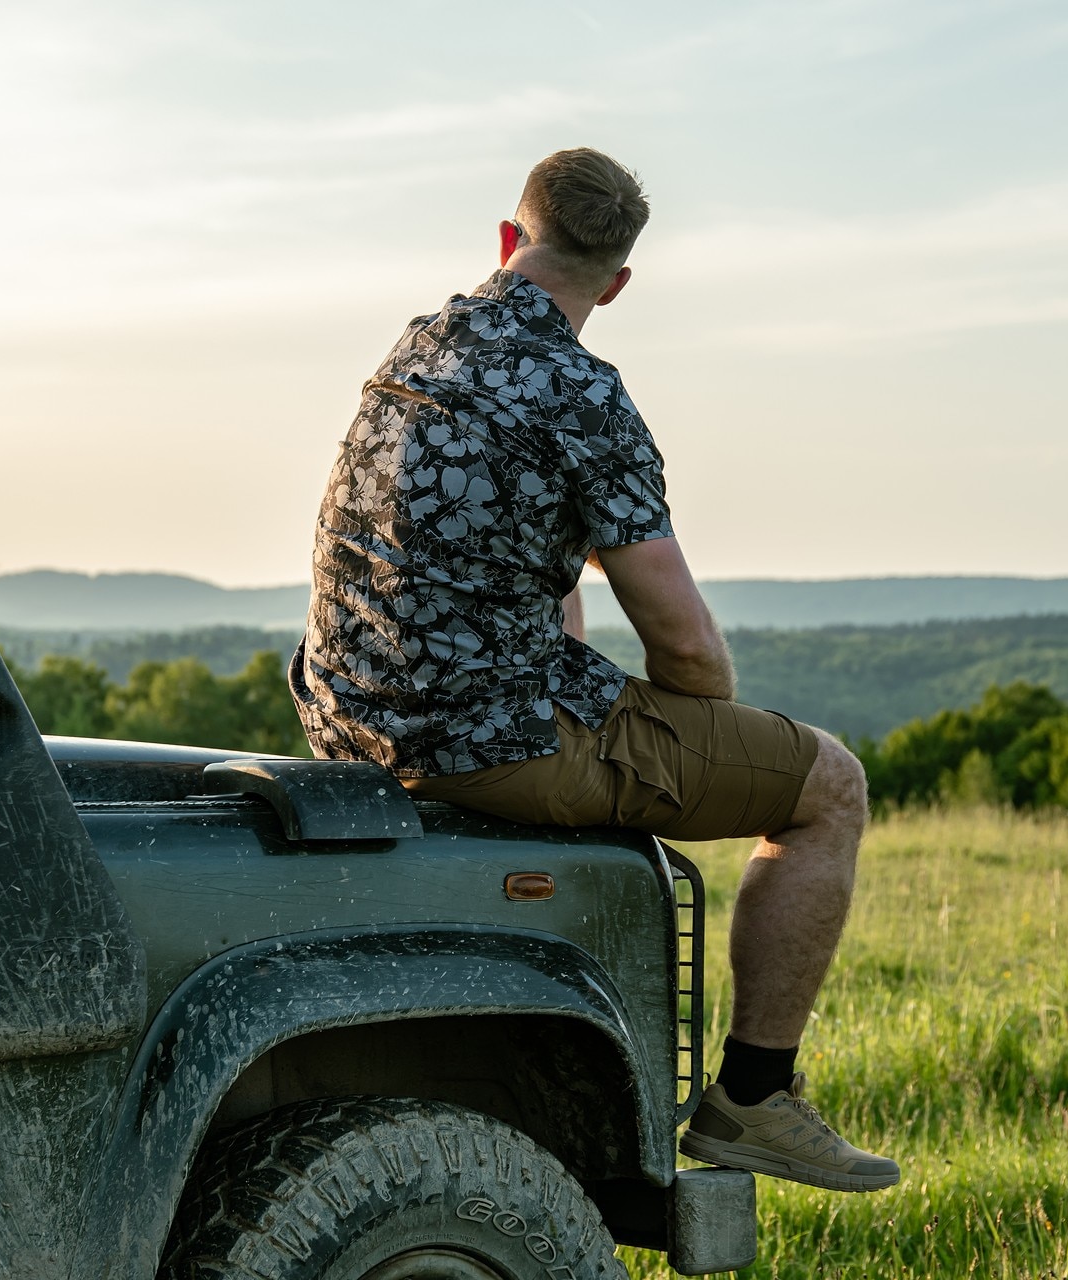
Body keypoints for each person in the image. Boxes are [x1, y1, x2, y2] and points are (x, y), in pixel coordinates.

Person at [288, 147, 898, 1193]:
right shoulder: (583, 396)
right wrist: (696, 722)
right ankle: (755, 1099)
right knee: (829, 786)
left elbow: (511, 549)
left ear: (507, 239)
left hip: (345, 713)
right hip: (482, 742)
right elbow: (686, 645)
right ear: (617, 283)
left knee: (560, 608)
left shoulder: (422, 342)